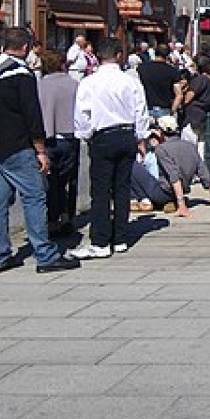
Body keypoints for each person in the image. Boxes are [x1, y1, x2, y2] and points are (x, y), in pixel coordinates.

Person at [0, 27, 79, 274]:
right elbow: (33, 116)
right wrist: (40, 149)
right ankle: (45, 254)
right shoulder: (21, 75)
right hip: (18, 146)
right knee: (35, 197)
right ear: (25, 48)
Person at [68, 38, 150, 260]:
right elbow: (140, 111)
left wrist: (84, 135)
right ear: (119, 55)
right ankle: (120, 238)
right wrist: (141, 137)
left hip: (103, 135)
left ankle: (101, 241)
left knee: (101, 190)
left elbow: (82, 114)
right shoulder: (130, 81)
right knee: (122, 187)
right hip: (125, 134)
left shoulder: (89, 82)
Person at [130, 116, 210, 216]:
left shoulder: (162, 149)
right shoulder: (189, 146)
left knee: (132, 165)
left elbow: (174, 176)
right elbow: (203, 172)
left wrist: (182, 205)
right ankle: (171, 202)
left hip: (163, 193)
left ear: (161, 132)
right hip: (181, 190)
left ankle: (145, 200)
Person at [37, 49, 80, 238]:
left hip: (46, 139)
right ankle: (66, 217)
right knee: (69, 180)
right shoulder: (74, 84)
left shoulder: (39, 85)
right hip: (69, 137)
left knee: (49, 181)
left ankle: (51, 219)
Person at [179, 55, 210, 148]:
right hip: (205, 116)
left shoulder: (199, 80)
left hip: (193, 116)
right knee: (202, 145)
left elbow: (189, 97)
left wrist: (181, 103)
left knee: (189, 145)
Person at [136, 49, 183, 120]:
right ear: (167, 56)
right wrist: (172, 112)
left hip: (145, 108)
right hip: (164, 109)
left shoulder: (141, 68)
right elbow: (179, 95)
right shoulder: (172, 71)